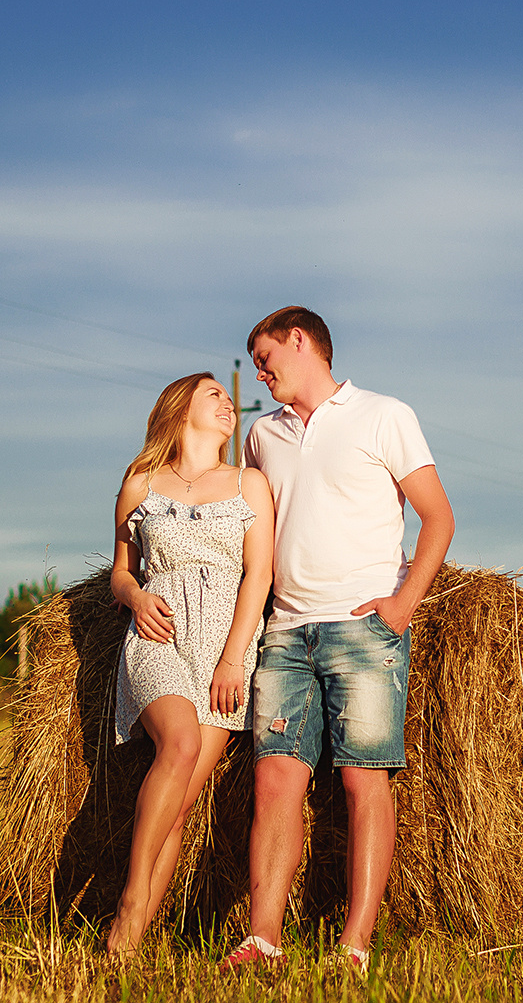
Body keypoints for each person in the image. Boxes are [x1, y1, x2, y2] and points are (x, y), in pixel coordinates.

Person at [219, 307, 455, 975]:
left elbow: (439, 516)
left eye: (265, 357)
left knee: (362, 781)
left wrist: (403, 604)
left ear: (301, 340)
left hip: (363, 629)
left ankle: (353, 945)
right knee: (274, 780)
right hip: (286, 630)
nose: (259, 371)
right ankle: (263, 935)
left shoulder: (384, 415)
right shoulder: (262, 435)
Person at [104, 372, 275, 956]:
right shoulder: (140, 484)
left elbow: (260, 575)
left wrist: (233, 660)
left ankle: (125, 945)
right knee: (176, 745)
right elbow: (121, 571)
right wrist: (133, 596)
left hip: (224, 650)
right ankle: (131, 899)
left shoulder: (250, 485)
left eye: (229, 400)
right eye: (216, 396)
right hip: (158, 635)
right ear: (180, 410)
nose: (229, 404)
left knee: (176, 809)